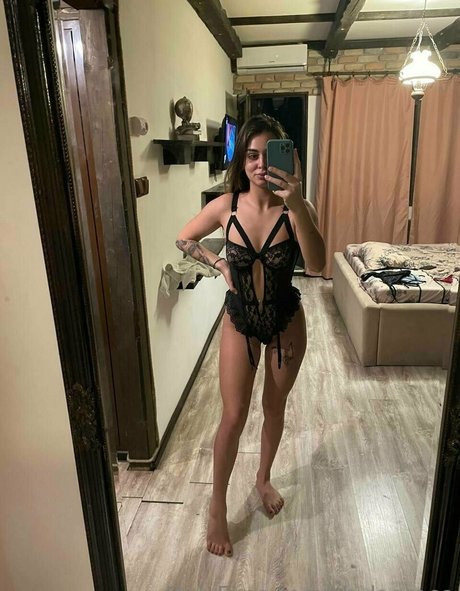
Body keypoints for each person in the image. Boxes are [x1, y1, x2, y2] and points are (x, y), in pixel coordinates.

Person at [176, 114, 325, 557]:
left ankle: (262, 479)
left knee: (273, 408)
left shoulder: (297, 209)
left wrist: (297, 204)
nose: (261, 165)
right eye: (252, 155)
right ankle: (218, 505)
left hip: (285, 321)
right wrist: (220, 263)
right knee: (233, 415)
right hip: (240, 320)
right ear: (241, 160)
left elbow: (317, 264)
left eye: (269, 155)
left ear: (286, 159)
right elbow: (184, 238)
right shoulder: (226, 206)